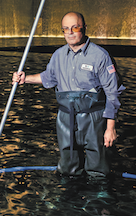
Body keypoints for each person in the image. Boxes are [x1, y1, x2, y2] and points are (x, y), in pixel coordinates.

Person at [12, 12, 125, 178]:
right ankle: (68, 199)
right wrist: (25, 79)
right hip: (65, 118)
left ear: (84, 28)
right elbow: (47, 78)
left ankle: (99, 200)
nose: (70, 32)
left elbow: (112, 93)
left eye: (75, 27)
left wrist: (110, 127)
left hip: (93, 118)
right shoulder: (58, 55)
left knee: (98, 168)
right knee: (67, 168)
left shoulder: (100, 56)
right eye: (65, 29)